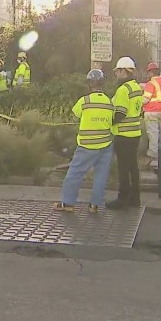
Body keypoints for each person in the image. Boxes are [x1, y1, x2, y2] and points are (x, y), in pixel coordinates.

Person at [53, 69, 114, 213]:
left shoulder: (84, 101)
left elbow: (75, 115)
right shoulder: (109, 102)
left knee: (74, 173)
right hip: (106, 144)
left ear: (89, 84)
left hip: (87, 145)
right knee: (101, 175)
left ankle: (68, 203)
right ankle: (95, 205)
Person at [106, 57, 145, 209]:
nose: (116, 74)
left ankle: (123, 198)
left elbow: (120, 113)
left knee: (123, 168)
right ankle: (135, 198)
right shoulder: (135, 87)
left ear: (123, 71)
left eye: (117, 71)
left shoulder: (123, 90)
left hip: (123, 135)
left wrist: (107, 122)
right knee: (133, 167)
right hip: (135, 134)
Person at [142, 61, 161, 170]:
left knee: (153, 133)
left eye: (148, 72)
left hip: (152, 112)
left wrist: (137, 100)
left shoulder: (151, 84)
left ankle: (153, 156)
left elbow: (145, 99)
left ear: (151, 72)